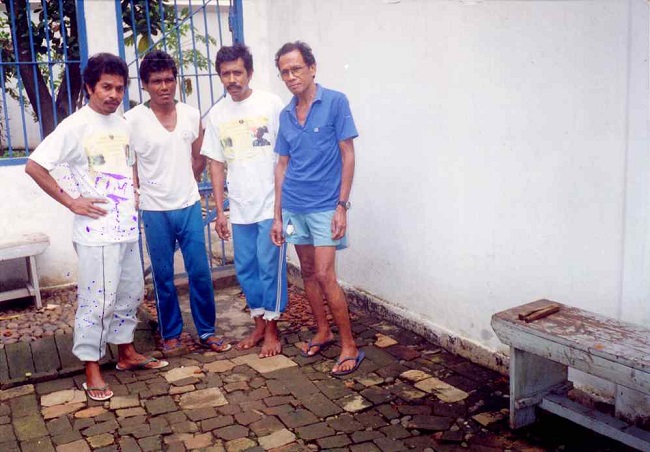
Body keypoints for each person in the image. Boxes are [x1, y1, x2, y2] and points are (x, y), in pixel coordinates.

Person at [25, 53, 168, 402]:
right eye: (106, 87)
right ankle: (91, 367)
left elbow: (126, 166)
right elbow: (35, 166)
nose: (113, 95)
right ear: (90, 87)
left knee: (130, 293)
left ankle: (126, 353)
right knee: (97, 301)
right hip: (96, 234)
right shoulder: (75, 126)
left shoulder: (122, 125)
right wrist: (72, 201)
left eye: (119, 88)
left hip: (127, 228)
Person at [125, 50, 231, 355]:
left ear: (175, 80)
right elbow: (130, 165)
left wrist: (185, 180)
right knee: (163, 276)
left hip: (188, 205)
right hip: (154, 210)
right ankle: (170, 333)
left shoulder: (190, 114)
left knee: (199, 272)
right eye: (156, 81)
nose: (164, 86)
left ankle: (207, 331)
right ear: (145, 84)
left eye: (169, 80)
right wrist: (137, 192)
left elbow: (200, 156)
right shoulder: (132, 121)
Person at [271, 41, 363, 376]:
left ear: (312, 68)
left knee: (325, 274)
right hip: (294, 206)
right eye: (285, 72)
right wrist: (278, 216)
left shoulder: (335, 102)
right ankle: (323, 331)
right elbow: (282, 165)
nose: (291, 76)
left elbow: (347, 153)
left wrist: (342, 206)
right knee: (308, 272)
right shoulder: (285, 115)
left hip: (326, 206)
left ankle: (350, 345)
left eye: (296, 68)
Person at [201, 44, 288, 358]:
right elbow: (215, 164)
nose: (232, 79)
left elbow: (286, 156)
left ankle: (273, 330)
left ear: (249, 73)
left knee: (269, 267)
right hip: (239, 208)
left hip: (271, 204)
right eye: (225, 74)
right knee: (246, 268)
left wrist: (280, 209)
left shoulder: (271, 104)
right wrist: (220, 211)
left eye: (238, 72)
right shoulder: (217, 114)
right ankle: (259, 325)